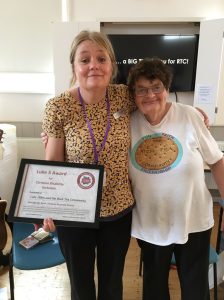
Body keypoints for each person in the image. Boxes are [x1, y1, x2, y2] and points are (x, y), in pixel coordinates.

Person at [42, 30, 135, 300]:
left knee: (112, 284)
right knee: (81, 286)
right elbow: (53, 162)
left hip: (118, 208)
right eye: (85, 59)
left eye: (101, 58)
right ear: (74, 67)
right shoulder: (58, 106)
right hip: (74, 212)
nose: (93, 64)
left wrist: (193, 112)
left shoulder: (124, 97)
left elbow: (158, 103)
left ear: (111, 65)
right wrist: (49, 206)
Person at [127, 57, 224, 300]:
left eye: (156, 87)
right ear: (134, 94)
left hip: (193, 220)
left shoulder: (190, 116)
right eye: (142, 89)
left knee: (194, 288)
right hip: (150, 223)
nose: (150, 94)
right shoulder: (127, 123)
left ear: (167, 89)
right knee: (154, 288)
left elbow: (217, 161)